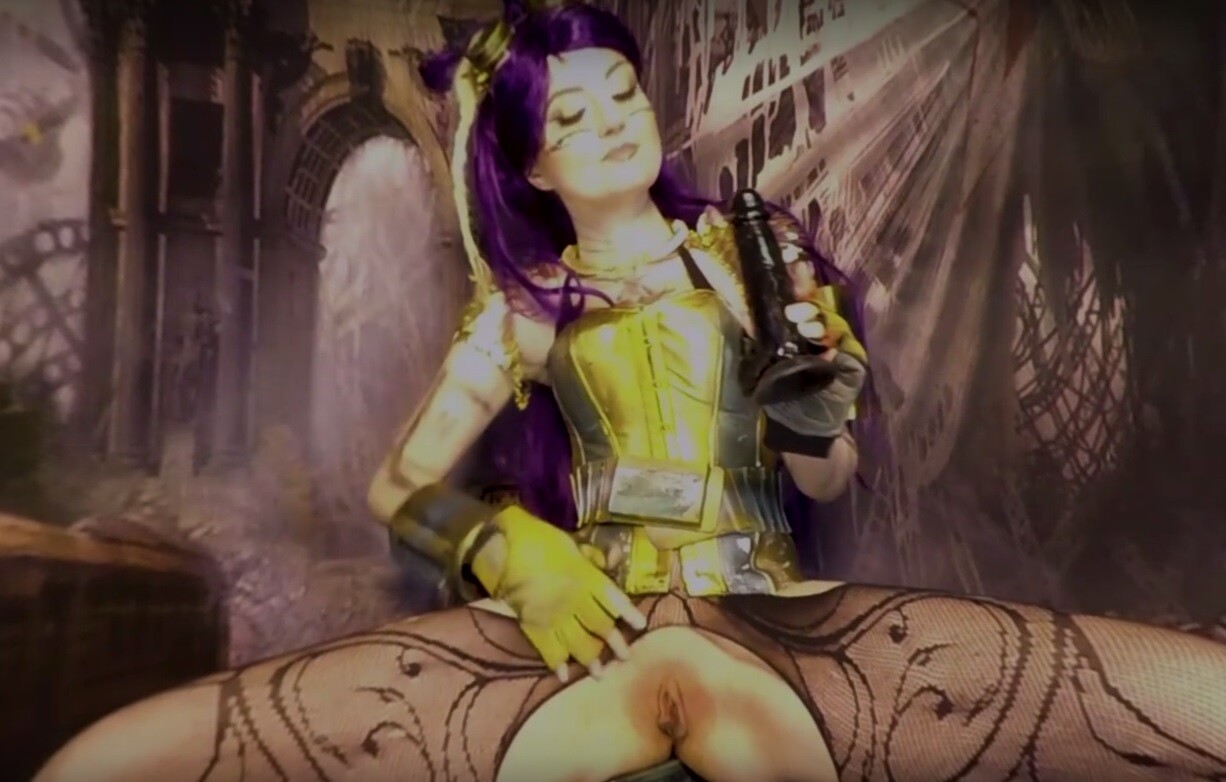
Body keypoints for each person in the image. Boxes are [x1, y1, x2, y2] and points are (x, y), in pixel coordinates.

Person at [34, 3, 1226, 781]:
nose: (611, 125)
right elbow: (400, 481)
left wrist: (814, 420)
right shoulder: (524, 308)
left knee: (1189, 700)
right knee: (119, 757)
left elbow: (827, 479)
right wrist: (508, 551)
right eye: (571, 113)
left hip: (772, 602)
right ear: (530, 161)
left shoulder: (758, 258)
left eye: (623, 95)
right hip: (586, 618)